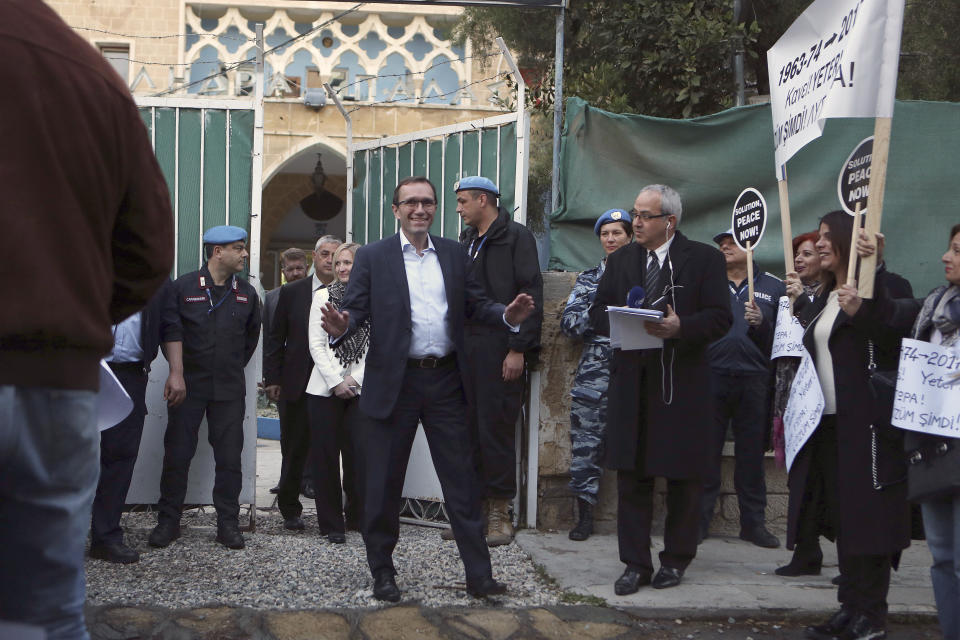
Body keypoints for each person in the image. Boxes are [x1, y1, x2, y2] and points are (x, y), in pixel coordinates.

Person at [0, 1, 174, 636]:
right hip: (60, 392)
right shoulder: (91, 73)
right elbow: (148, 252)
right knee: (42, 615)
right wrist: (66, 319)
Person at [320, 176, 535, 603]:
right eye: (411, 203)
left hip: (445, 382)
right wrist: (343, 326)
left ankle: (479, 576)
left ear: (435, 209)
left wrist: (507, 316)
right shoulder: (376, 257)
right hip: (393, 384)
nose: (420, 209)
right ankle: (383, 572)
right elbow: (356, 310)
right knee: (382, 484)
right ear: (396, 209)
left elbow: (476, 303)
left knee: (462, 482)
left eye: (428, 203)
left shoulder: (455, 254)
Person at [589, 184, 731, 594]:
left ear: (668, 221)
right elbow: (598, 312)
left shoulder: (703, 259)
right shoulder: (621, 261)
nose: (635, 222)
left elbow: (721, 318)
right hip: (632, 382)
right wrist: (621, 319)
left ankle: (676, 559)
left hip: (683, 383)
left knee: (684, 477)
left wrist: (681, 326)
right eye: (634, 213)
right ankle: (635, 564)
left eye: (644, 216)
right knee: (632, 477)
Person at [784, 211, 915, 640]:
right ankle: (849, 607)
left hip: (870, 428)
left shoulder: (884, 287)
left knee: (870, 521)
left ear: (845, 240)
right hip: (828, 426)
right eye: (817, 237)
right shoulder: (825, 295)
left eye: (826, 237)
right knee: (844, 518)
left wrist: (871, 274)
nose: (820, 244)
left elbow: (897, 328)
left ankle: (871, 614)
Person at [149, 225, 261, 551]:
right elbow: (170, 332)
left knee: (229, 459)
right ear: (217, 252)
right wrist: (177, 373)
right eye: (239, 248)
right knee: (178, 454)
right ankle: (168, 521)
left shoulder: (247, 293)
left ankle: (228, 523)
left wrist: (227, 367)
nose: (244, 254)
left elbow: (249, 341)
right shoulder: (183, 288)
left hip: (228, 388)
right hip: (188, 386)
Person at [455, 176, 544, 546]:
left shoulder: (516, 237)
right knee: (468, 431)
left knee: (496, 429)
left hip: (501, 347)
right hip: (467, 349)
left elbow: (530, 294)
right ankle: (472, 513)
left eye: (462, 202)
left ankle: (499, 513)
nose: (458, 209)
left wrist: (518, 348)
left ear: (483, 199)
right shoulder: (466, 240)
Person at [699, 229, 785, 548]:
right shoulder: (707, 284)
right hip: (711, 376)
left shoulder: (775, 287)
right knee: (706, 453)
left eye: (732, 242)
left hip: (755, 380)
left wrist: (762, 323)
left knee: (751, 457)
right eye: (720, 243)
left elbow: (782, 341)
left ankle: (753, 524)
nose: (724, 247)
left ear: (751, 246)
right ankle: (698, 522)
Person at [90, 281, 176, 564]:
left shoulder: (154, 277)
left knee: (119, 455)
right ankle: (55, 537)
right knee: (64, 454)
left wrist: (177, 371)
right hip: (79, 368)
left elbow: (169, 324)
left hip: (129, 374)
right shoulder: (78, 260)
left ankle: (105, 537)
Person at [902, 223, 960, 640]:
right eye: (949, 247)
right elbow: (884, 312)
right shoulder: (934, 309)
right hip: (934, 448)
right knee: (940, 555)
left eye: (957, 250)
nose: (946, 256)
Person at [561, 208, 633, 541]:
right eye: (605, 234)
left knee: (638, 441)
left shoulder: (647, 275)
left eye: (617, 232)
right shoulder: (590, 279)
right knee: (586, 443)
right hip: (596, 370)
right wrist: (598, 305)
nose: (611, 239)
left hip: (636, 364)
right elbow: (570, 325)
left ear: (630, 236)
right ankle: (585, 516)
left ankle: (635, 517)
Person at [264, 237, 341, 520]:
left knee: (328, 449)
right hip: (296, 382)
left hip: (334, 383)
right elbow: (275, 338)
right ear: (314, 257)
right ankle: (289, 508)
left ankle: (333, 512)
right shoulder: (292, 292)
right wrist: (272, 378)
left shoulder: (351, 291)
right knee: (294, 449)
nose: (329, 260)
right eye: (324, 254)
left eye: (335, 255)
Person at [306, 242, 366, 543]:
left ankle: (358, 516)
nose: (342, 268)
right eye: (339, 262)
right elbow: (316, 344)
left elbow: (380, 347)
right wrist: (336, 382)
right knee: (325, 459)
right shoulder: (321, 297)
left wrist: (354, 382)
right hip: (323, 391)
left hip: (362, 390)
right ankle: (331, 525)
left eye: (349, 262)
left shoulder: (375, 299)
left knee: (359, 458)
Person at [263, 247, 308, 496]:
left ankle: (308, 480)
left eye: (299, 268)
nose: (295, 273)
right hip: (286, 378)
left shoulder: (319, 294)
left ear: (306, 267)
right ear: (282, 272)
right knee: (288, 432)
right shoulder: (272, 298)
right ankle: (287, 479)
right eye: (289, 269)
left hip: (313, 374)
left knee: (313, 431)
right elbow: (271, 340)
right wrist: (271, 377)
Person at [793, 231, 824, 301]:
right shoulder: (786, 291)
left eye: (807, 254)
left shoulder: (834, 292)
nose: (797, 259)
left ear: (823, 257)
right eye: (796, 255)